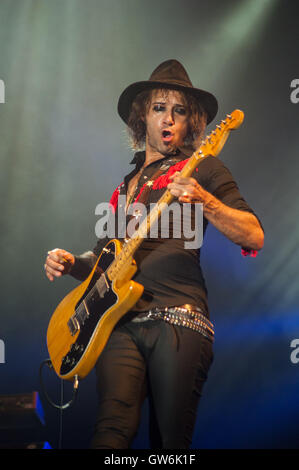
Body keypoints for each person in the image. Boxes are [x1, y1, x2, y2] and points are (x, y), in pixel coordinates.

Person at [44, 60, 264, 449]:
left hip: (180, 320)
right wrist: (70, 262)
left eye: (179, 111)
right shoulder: (125, 185)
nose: (169, 118)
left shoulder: (204, 167)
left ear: (190, 122)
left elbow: (253, 234)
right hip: (120, 324)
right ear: (141, 117)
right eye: (159, 108)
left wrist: (205, 199)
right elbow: (103, 260)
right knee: (109, 434)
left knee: (169, 444)